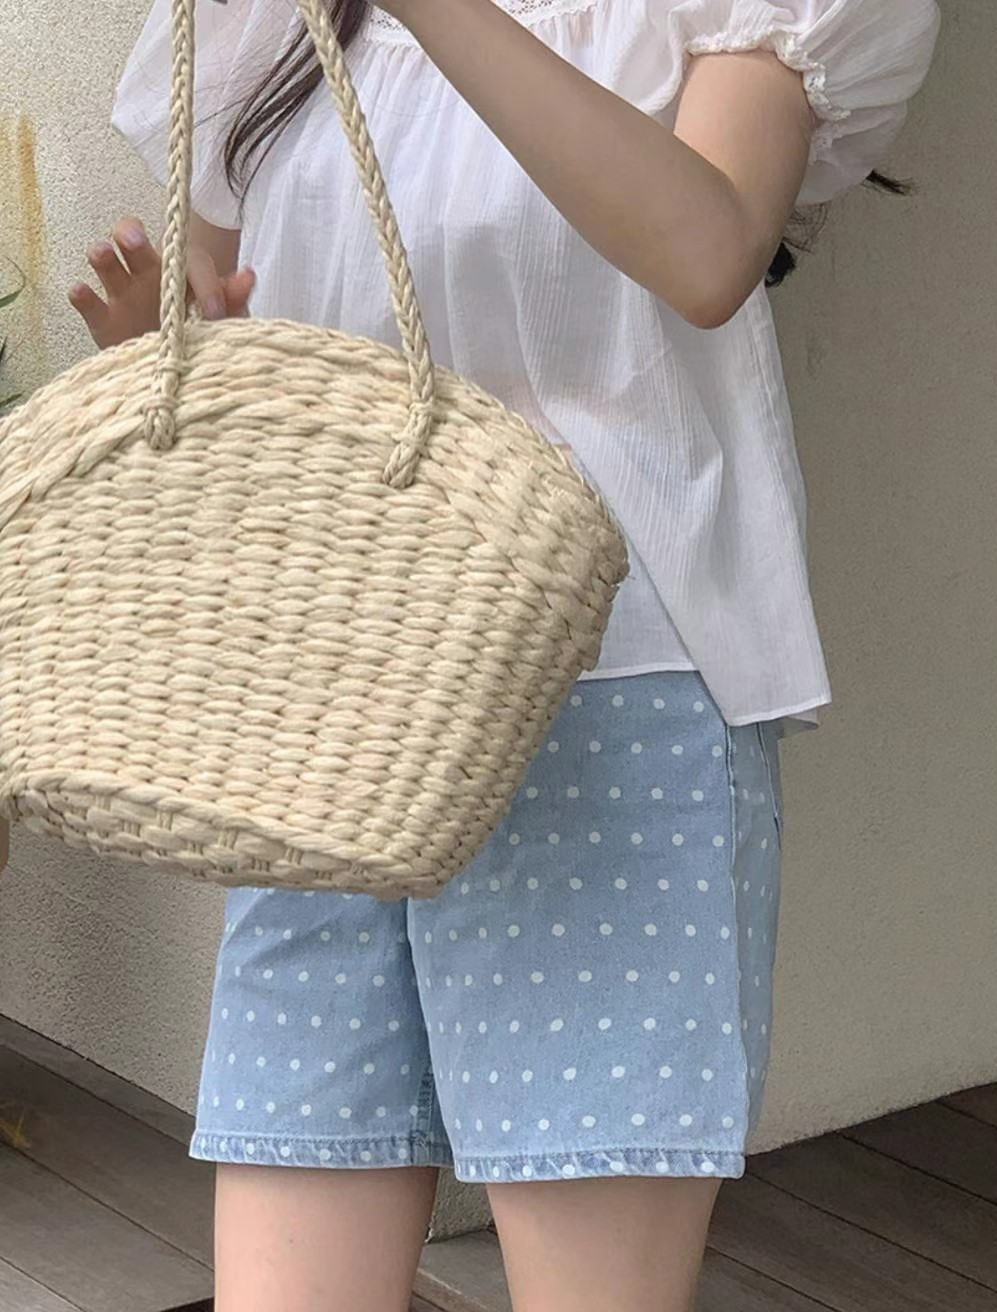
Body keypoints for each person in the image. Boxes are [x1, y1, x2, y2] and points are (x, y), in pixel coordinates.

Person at [74, 1, 940, 1308]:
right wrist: (170, 358)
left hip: (609, 687)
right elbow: (249, 321)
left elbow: (709, 248)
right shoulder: (281, 18)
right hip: (331, 708)